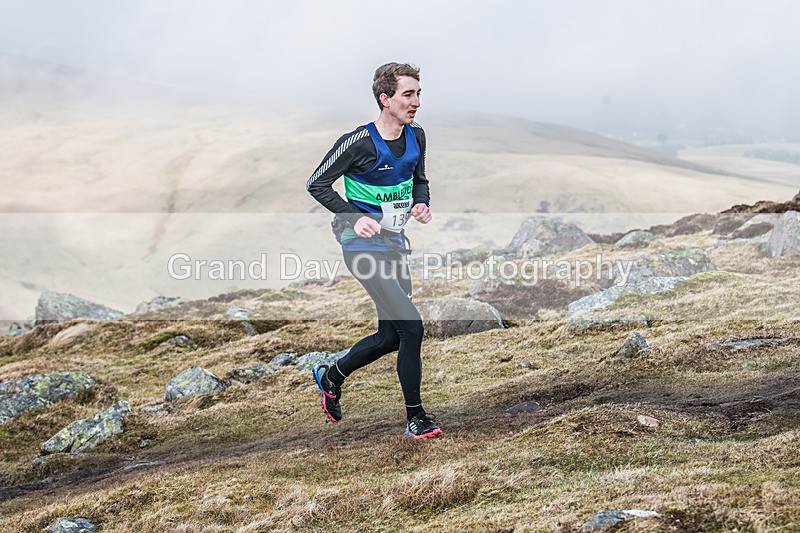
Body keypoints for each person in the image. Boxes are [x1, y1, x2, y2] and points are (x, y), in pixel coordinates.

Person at [305, 62, 441, 439]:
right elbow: (317, 183)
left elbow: (419, 180)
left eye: (418, 94)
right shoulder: (359, 142)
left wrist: (422, 203)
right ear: (385, 99)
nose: (416, 102)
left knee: (390, 336)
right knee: (412, 327)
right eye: (407, 95)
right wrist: (354, 216)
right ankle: (416, 419)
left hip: (394, 245)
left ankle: (331, 376)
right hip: (362, 247)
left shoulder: (417, 136)